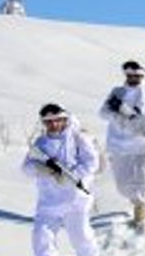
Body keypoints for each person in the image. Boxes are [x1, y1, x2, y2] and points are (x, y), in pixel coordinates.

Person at [99, 61, 145, 229]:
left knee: (142, 179)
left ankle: (142, 210)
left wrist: (143, 124)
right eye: (130, 75)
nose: (133, 78)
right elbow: (103, 112)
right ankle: (136, 201)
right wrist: (121, 117)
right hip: (118, 144)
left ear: (142, 76)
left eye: (136, 75)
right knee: (123, 185)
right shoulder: (117, 92)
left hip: (142, 145)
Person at [22, 103, 99, 256]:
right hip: (49, 201)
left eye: (57, 120)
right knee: (41, 240)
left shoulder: (78, 138)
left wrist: (71, 175)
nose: (54, 124)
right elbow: (26, 168)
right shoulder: (40, 143)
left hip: (75, 200)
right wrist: (44, 170)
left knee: (82, 239)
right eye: (49, 121)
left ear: (65, 119)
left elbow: (92, 163)